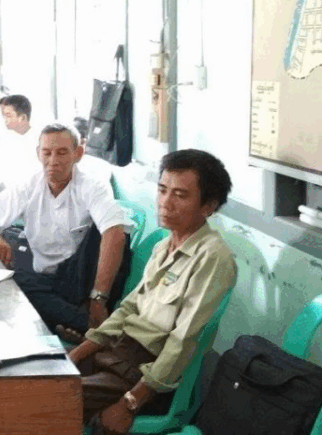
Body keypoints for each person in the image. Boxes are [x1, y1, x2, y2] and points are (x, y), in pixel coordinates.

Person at [70, 149, 237, 434]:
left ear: (208, 206)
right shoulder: (164, 246)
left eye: (180, 195)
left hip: (143, 377)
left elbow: (183, 341)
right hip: (116, 355)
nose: (165, 203)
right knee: (31, 377)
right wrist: (75, 355)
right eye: (162, 190)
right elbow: (128, 309)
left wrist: (131, 402)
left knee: (43, 399)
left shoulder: (212, 258)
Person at [0, 123, 128, 337]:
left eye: (62, 153)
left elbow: (115, 234)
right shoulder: (28, 185)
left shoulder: (92, 187)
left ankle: (81, 322)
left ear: (78, 154)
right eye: (47, 153)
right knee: (10, 285)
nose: (53, 161)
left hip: (82, 279)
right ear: (38, 153)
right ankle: (83, 325)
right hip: (45, 279)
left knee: (112, 231)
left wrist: (99, 297)